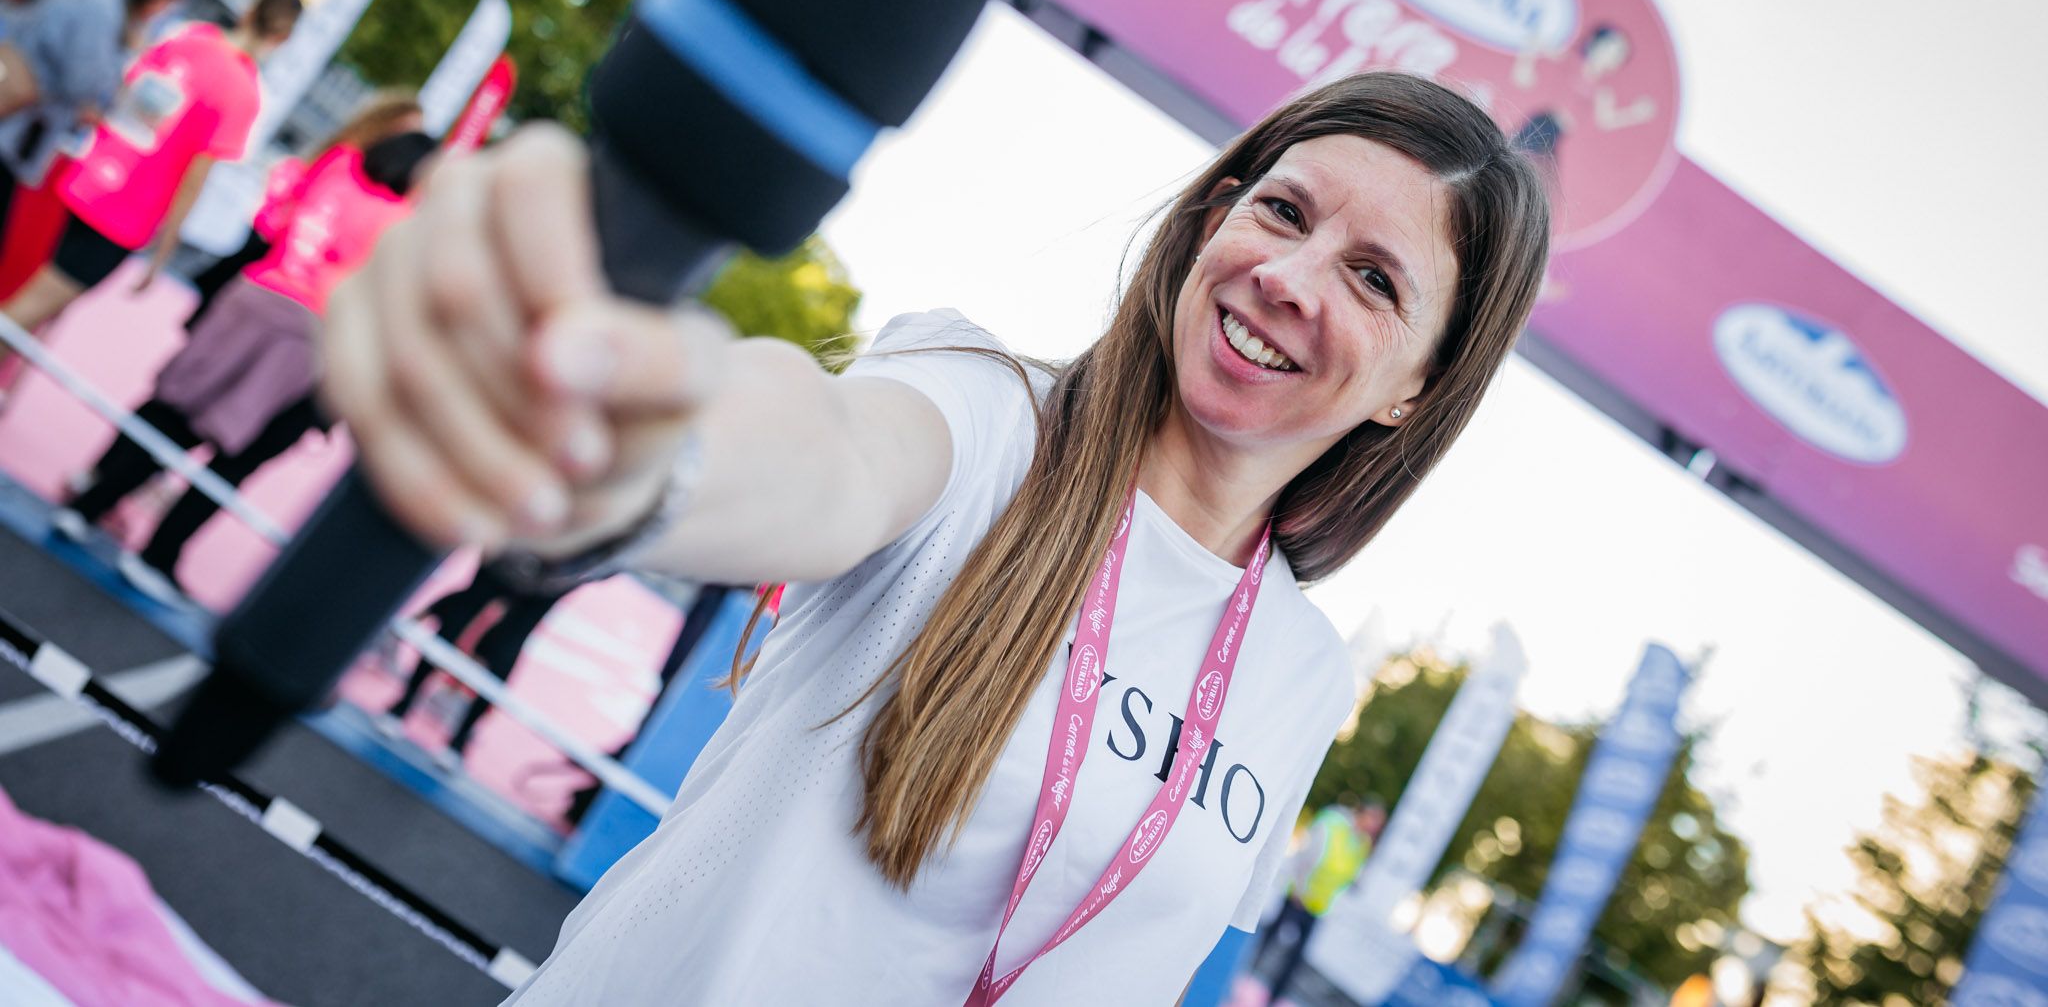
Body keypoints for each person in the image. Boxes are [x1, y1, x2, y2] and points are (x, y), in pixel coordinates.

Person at [322, 71, 1551, 1004]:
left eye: (1374, 278)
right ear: (1210, 218)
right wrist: (624, 437)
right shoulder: (983, 413)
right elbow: (818, 455)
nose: (1290, 276)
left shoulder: (1299, 669)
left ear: (1416, 388)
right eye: (1281, 212)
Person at [53, 127, 437, 601]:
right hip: (305, 333)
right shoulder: (399, 224)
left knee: (174, 413)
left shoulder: (336, 171)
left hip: (252, 293)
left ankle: (90, 503)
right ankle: (158, 552)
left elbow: (274, 218)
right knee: (237, 453)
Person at [0, 0, 301, 363]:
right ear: (282, 37)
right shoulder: (244, 93)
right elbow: (196, 177)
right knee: (31, 306)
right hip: (126, 213)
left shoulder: (189, 39)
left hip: (88, 175)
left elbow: (127, 91)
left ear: (250, 10)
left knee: (34, 299)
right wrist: (164, 251)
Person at [184, 93, 427, 329]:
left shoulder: (354, 164)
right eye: (404, 129)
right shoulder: (347, 158)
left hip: (285, 257)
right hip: (280, 252)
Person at [0, 0, 187, 202]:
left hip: (23, 119)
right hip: (19, 120)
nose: (164, 12)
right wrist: (127, 53)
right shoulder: (105, 10)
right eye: (167, 3)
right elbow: (81, 82)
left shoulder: (105, 1)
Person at [377, 558, 568, 765]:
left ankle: (459, 738)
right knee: (462, 614)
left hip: (561, 573)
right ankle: (403, 703)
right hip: (515, 549)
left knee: (506, 645)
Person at [1259, 800, 1386, 1001]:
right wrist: (1299, 887)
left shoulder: (1361, 844)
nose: (1373, 828)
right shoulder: (1334, 824)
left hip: (1319, 906)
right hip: (1299, 895)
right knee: (1272, 937)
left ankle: (1273, 998)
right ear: (1362, 812)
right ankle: (1248, 971)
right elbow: (1308, 854)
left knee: (1295, 957)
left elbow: (1352, 878)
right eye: (1373, 820)